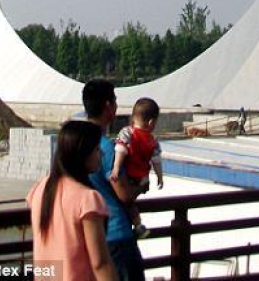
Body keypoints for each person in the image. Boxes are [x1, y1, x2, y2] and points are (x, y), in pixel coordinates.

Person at [26, 119, 117, 281]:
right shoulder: (88, 199)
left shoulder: (40, 188)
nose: (101, 155)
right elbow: (100, 263)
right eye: (97, 149)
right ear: (82, 153)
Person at [82, 79, 146, 281]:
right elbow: (124, 194)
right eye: (115, 100)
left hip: (90, 234)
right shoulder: (105, 148)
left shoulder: (78, 144)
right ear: (108, 105)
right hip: (117, 235)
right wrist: (141, 186)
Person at [110, 96, 164, 237]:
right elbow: (156, 160)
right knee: (130, 201)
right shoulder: (153, 140)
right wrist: (160, 177)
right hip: (143, 178)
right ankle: (138, 225)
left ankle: (137, 225)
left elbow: (120, 150)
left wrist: (116, 168)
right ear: (151, 122)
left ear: (133, 117)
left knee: (125, 201)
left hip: (129, 176)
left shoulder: (127, 133)